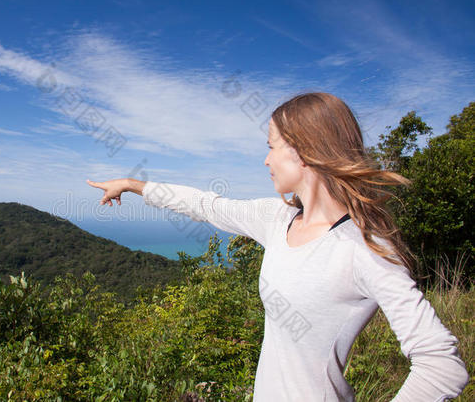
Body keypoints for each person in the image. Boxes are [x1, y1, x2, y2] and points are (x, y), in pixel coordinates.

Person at [86, 92, 469, 401]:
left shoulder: (363, 246)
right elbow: (205, 205)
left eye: (272, 146)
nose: (265, 159)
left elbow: (442, 366)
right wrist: (133, 185)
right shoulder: (277, 219)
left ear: (304, 150)